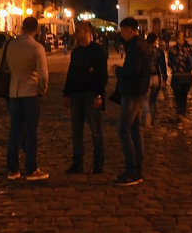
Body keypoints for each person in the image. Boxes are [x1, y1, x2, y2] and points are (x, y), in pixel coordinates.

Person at [4, 16, 49, 181]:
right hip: (30, 93)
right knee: (30, 132)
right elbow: (43, 75)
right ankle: (31, 169)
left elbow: (0, 66)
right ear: (36, 30)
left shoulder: (10, 44)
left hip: (13, 93)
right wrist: (42, 90)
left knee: (14, 132)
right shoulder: (37, 48)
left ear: (22, 27)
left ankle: (12, 169)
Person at [62, 21, 107, 174]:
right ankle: (77, 163)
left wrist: (99, 95)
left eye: (79, 30)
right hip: (76, 95)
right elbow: (71, 73)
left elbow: (102, 75)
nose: (76, 33)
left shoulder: (98, 50)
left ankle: (98, 163)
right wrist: (66, 93)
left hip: (91, 95)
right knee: (76, 132)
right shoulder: (76, 52)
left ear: (88, 31)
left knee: (96, 131)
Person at [114, 17, 150, 186]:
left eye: (122, 31)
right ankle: (138, 168)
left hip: (133, 92)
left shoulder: (136, 46)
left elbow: (134, 71)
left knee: (124, 130)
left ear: (129, 30)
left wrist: (118, 70)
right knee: (136, 131)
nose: (121, 34)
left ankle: (132, 170)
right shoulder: (141, 44)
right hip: (138, 91)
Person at [167, 36, 192, 123]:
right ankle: (181, 114)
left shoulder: (173, 49)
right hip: (185, 75)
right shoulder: (190, 48)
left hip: (179, 75)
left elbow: (169, 63)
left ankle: (180, 113)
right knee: (182, 96)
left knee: (179, 96)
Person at [143, 32, 168, 127]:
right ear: (155, 41)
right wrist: (164, 78)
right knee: (153, 100)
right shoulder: (159, 51)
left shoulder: (143, 51)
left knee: (145, 99)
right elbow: (163, 65)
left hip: (145, 78)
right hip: (156, 77)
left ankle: (147, 115)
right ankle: (152, 120)